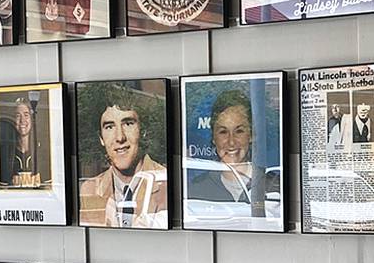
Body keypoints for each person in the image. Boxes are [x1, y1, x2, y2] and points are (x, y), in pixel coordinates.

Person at [187, 90, 280, 220]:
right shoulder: (196, 190)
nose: (231, 142)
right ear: (214, 138)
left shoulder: (275, 185)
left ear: (251, 135)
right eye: (223, 132)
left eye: (239, 131)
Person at [78, 96, 168, 227]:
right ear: (101, 138)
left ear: (143, 132)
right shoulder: (88, 190)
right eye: (109, 127)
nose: (120, 137)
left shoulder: (166, 183)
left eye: (128, 124)